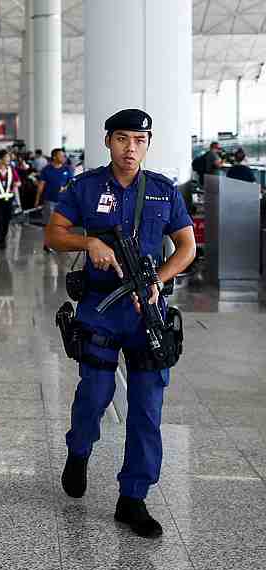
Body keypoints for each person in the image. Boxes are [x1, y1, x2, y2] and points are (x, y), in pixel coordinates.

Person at [44, 109, 196, 539]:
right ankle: (79, 449)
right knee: (95, 392)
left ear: (148, 144)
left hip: (148, 310)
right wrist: (88, 241)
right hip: (100, 307)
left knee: (148, 407)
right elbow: (54, 235)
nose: (132, 149)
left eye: (140, 140)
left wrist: (157, 282)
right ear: (108, 141)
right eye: (123, 139)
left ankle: (133, 497)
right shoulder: (86, 187)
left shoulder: (164, 191)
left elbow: (186, 247)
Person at [35, 148, 76, 252]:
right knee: (49, 224)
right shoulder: (46, 169)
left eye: (64, 155)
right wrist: (37, 199)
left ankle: (60, 243)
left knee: (63, 225)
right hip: (50, 200)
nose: (64, 157)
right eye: (61, 155)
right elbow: (41, 185)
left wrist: (66, 188)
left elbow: (71, 184)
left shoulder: (68, 169)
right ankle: (48, 243)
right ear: (54, 157)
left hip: (64, 202)